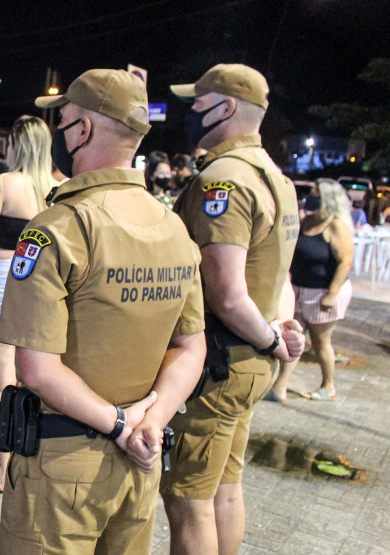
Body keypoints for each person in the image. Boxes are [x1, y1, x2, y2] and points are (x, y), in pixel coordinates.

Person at [0, 69, 207, 554]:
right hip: (141, 465)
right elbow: (190, 347)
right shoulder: (174, 228)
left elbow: (37, 368)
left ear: (83, 131)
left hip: (62, 469)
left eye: (64, 123)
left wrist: (118, 424)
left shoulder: (59, 228)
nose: (62, 135)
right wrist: (151, 422)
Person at [162, 64, 305, 555]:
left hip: (222, 360)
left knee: (187, 498)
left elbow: (225, 292)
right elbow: (278, 274)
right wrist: (278, 332)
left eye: (197, 103)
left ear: (224, 108)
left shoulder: (223, 180)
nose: (190, 113)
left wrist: (271, 339)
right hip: (250, 360)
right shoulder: (277, 179)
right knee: (223, 486)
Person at [0, 115, 57, 493]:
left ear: (17, 145)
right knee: (30, 378)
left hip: (1, 280)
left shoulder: (3, 183)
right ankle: (20, 461)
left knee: (1, 383)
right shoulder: (58, 188)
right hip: (41, 285)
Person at [269, 179, 354, 402]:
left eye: (316, 194)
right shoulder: (306, 221)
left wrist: (332, 294)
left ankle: (328, 386)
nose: (311, 197)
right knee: (296, 337)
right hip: (299, 289)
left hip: (323, 292)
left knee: (320, 342)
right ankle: (280, 387)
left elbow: (345, 262)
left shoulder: (335, 225)